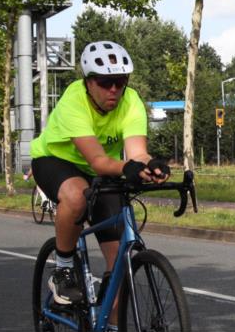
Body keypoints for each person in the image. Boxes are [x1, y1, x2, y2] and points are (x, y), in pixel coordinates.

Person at [29, 41, 170, 306]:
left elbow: (137, 153)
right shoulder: (74, 100)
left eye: (120, 81)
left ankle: (112, 329)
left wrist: (151, 165)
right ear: (88, 82)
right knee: (76, 196)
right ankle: (63, 269)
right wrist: (127, 168)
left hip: (102, 169)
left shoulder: (131, 101)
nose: (114, 89)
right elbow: (97, 161)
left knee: (120, 264)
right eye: (105, 82)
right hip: (55, 160)